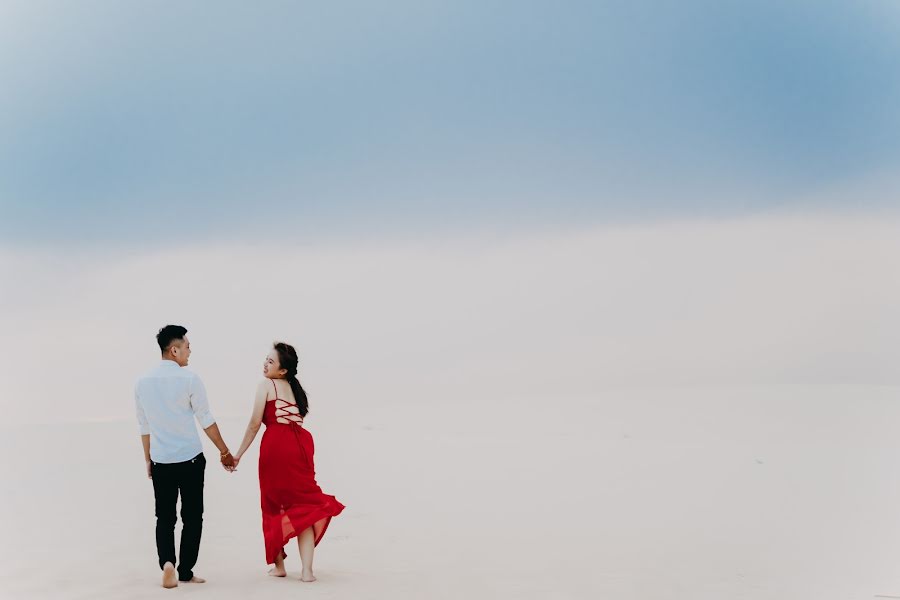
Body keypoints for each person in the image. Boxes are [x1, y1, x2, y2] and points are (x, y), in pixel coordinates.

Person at [233, 341, 344, 582]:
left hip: (276, 446)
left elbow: (254, 424)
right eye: (266, 358)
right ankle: (307, 571)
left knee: (273, 504)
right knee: (303, 505)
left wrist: (238, 454)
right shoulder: (297, 391)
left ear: (282, 370)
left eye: (271, 361)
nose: (265, 363)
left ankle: (280, 565)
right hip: (301, 447)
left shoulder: (266, 384)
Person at [135, 325, 236, 589]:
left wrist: (148, 459)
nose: (190, 351)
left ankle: (167, 563)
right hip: (190, 459)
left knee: (164, 518)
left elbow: (144, 426)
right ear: (174, 350)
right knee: (192, 516)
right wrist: (224, 452)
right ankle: (186, 570)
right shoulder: (189, 379)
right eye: (187, 347)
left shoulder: (142, 382)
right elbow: (206, 420)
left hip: (161, 461)